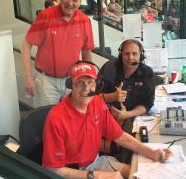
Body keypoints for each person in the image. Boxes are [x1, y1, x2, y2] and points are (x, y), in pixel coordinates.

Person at [42, 61, 170, 179]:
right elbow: (53, 170)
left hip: (95, 162)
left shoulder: (96, 102)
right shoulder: (56, 118)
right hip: (72, 172)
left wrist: (152, 153)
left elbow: (120, 137)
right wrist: (96, 175)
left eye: (90, 82)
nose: (86, 88)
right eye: (80, 83)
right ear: (71, 86)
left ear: (96, 84)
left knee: (135, 174)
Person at [21, 0, 95, 106]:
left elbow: (87, 52)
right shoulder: (45, 16)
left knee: (71, 118)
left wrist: (88, 79)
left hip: (72, 81)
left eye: (75, 0)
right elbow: (26, 45)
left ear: (80, 1)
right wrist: (27, 77)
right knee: (45, 119)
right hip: (46, 82)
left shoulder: (85, 21)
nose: (70, 3)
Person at [97, 39, 155, 163]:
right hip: (105, 115)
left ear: (141, 55)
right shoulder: (109, 68)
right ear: (120, 54)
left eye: (135, 54)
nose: (130, 57)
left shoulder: (147, 72)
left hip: (132, 117)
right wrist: (112, 97)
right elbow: (91, 98)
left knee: (131, 146)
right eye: (126, 54)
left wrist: (127, 114)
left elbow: (147, 104)